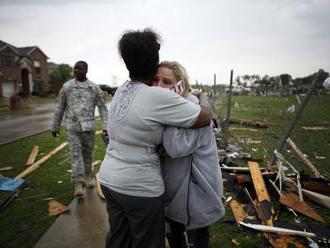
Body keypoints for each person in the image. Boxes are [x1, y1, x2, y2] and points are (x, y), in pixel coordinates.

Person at [98, 28, 213, 248]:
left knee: (118, 240)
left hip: (109, 180)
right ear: (154, 62)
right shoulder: (157, 96)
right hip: (140, 189)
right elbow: (204, 117)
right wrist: (202, 97)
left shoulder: (123, 90)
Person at [153, 61, 225, 248]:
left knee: (198, 234)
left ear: (180, 86)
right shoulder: (162, 107)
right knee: (174, 233)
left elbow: (176, 147)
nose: (159, 86)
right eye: (155, 80)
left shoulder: (195, 111)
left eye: (166, 81)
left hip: (197, 188)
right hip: (174, 189)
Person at [51, 61, 108, 197]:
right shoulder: (67, 87)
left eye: (80, 69)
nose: (76, 71)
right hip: (72, 126)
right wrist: (55, 125)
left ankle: (88, 176)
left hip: (89, 127)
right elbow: (60, 107)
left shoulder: (94, 88)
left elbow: (103, 108)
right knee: (75, 154)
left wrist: (106, 126)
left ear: (86, 70)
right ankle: (77, 183)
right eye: (75, 69)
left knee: (88, 154)